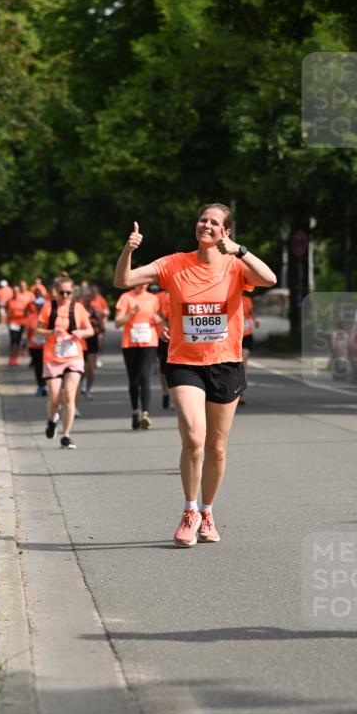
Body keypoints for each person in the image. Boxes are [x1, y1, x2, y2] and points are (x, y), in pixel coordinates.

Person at [114, 204, 276, 545]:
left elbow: (269, 279)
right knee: (194, 439)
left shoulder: (235, 266)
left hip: (226, 363)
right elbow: (123, 281)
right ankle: (188, 511)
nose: (206, 225)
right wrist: (128, 249)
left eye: (215, 223)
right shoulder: (174, 263)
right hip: (185, 362)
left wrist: (242, 252)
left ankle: (207, 512)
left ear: (226, 232)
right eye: (203, 220)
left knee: (217, 448)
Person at [36, 275, 94, 449]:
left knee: (69, 396)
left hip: (73, 356)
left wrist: (81, 334)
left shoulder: (78, 308)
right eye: (62, 292)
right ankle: (52, 419)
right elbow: (38, 331)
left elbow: (90, 329)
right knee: (54, 399)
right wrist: (51, 332)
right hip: (53, 357)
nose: (65, 296)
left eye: (69, 292)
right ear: (56, 292)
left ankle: (66, 435)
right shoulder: (48, 308)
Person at [114, 282, 162, 430]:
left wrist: (159, 320)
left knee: (144, 377)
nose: (142, 285)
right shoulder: (126, 297)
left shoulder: (153, 299)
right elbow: (117, 323)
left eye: (145, 282)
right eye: (139, 282)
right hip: (130, 344)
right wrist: (131, 313)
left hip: (149, 342)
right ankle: (135, 410)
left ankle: (145, 414)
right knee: (133, 380)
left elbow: (160, 318)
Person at [78, 286, 106, 401]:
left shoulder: (96, 310)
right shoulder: (77, 310)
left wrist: (96, 324)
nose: (87, 298)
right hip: (80, 341)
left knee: (91, 368)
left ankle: (88, 389)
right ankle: (80, 388)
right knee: (82, 368)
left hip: (92, 339)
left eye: (89, 296)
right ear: (82, 297)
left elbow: (102, 327)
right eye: (85, 296)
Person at [239, 292, 260, 405]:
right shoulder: (226, 298)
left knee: (243, 363)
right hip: (233, 337)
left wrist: (255, 320)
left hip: (246, 335)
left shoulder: (247, 300)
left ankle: (241, 392)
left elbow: (251, 313)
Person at [26, 295, 48, 395]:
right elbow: (28, 331)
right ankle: (40, 385)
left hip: (46, 346)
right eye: (37, 305)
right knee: (37, 367)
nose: (38, 306)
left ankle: (46, 385)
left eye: (40, 305)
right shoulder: (31, 316)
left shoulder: (48, 316)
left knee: (45, 367)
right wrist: (27, 343)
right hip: (34, 346)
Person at [155, 285, 172, 409]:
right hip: (162, 336)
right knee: (163, 368)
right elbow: (158, 315)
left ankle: (173, 394)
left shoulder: (182, 292)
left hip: (181, 337)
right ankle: (166, 392)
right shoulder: (158, 297)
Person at [5, 285, 28, 365]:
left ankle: (15, 358)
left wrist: (26, 324)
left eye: (17, 291)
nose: (15, 293)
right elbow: (7, 312)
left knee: (18, 341)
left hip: (21, 323)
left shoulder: (23, 301)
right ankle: (11, 358)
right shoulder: (10, 301)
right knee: (13, 340)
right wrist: (7, 321)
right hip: (13, 323)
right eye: (14, 291)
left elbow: (26, 312)